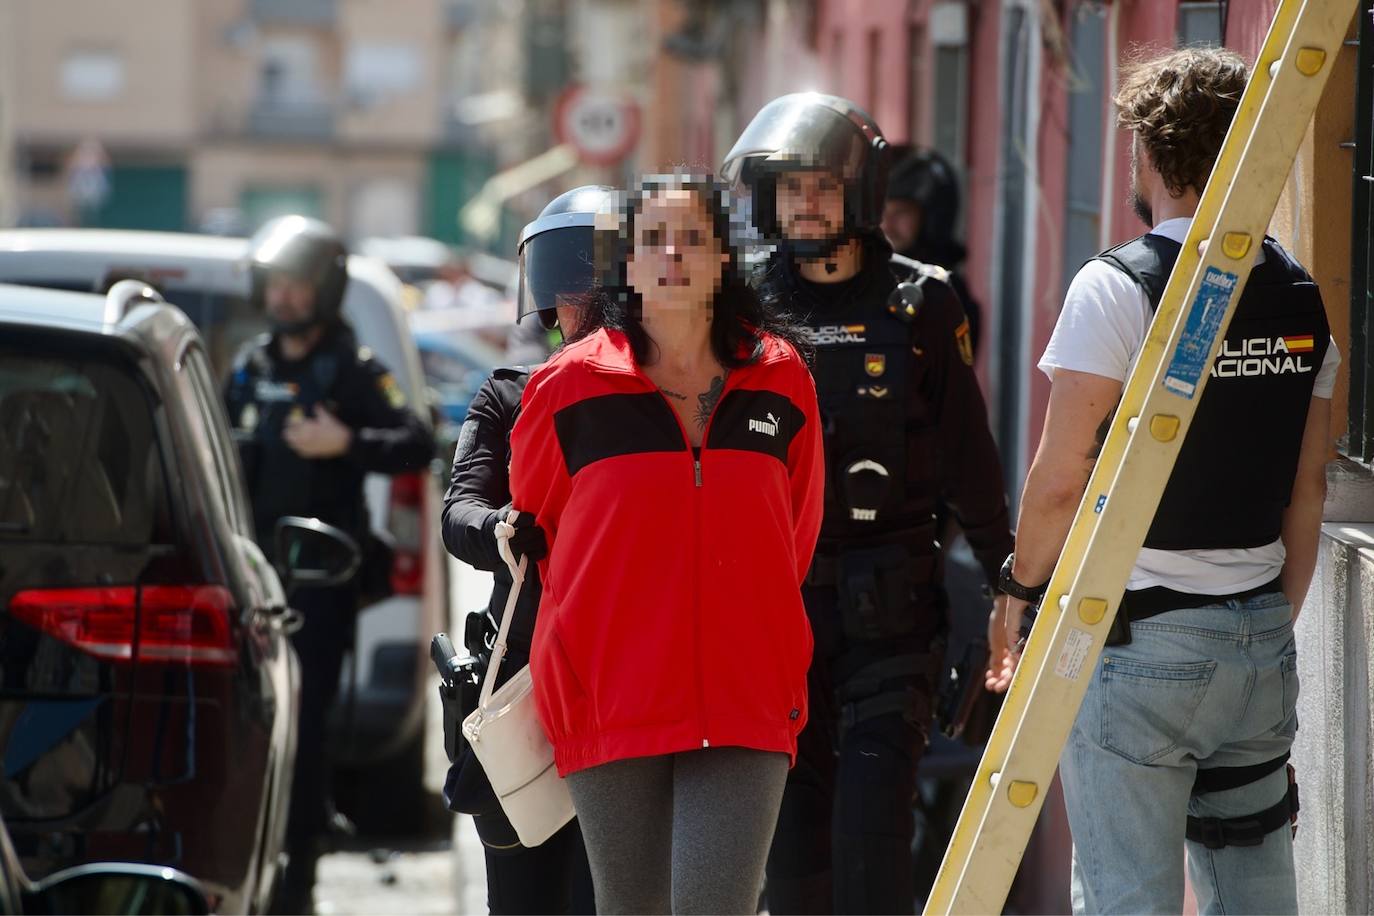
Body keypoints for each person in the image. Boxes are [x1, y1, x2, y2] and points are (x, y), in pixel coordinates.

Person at [988, 48, 1338, 914]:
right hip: (1259, 638)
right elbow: (1310, 482)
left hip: (1140, 641)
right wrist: (1262, 622)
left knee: (1126, 899)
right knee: (1257, 895)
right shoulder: (1299, 294)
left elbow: (1060, 477)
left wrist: (1019, 589)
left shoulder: (1119, 287)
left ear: (1145, 153)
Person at [721, 93, 1015, 915]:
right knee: (792, 861)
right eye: (788, 190)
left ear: (861, 191)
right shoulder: (739, 308)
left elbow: (970, 461)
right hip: (773, 622)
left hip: (893, 621)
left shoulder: (922, 305)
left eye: (820, 187)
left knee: (870, 850)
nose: (803, 207)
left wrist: (1012, 587)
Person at [507, 172, 824, 915]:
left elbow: (796, 533)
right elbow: (544, 537)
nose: (672, 255)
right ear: (625, 262)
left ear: (724, 260)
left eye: (694, 239)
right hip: (609, 694)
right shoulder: (564, 389)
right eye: (653, 240)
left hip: (748, 694)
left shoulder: (782, 377)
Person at [223, 215, 435, 915]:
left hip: (320, 585)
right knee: (244, 726)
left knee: (305, 729)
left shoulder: (348, 367)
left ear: (323, 289)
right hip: (248, 580)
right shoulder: (250, 368)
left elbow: (414, 440)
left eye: (296, 286)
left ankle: (298, 878)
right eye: (274, 285)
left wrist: (344, 441)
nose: (282, 299)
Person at [439, 186, 613, 915]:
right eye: (565, 282)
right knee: (521, 898)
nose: (578, 303)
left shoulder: (665, 396)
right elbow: (459, 509)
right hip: (525, 677)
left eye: (595, 279)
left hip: (622, 681)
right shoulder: (509, 393)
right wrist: (503, 527)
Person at [882, 144, 983, 358]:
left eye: (901, 213)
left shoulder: (945, 291)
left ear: (930, 218)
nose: (887, 225)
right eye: (881, 211)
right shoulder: (857, 276)